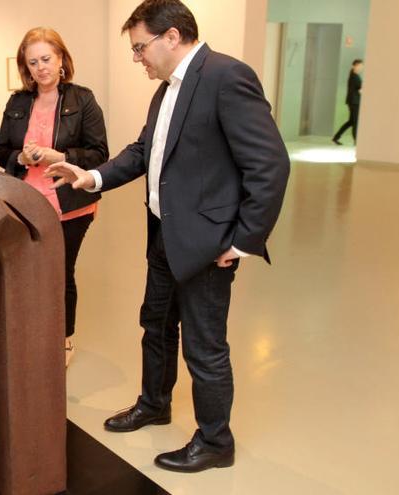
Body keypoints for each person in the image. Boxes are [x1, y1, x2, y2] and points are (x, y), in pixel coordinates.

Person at [47, 0, 289, 472]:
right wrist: (91, 177)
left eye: (140, 48)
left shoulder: (226, 77)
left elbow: (270, 164)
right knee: (155, 325)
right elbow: (144, 151)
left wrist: (242, 240)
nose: (138, 58)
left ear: (172, 36)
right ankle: (154, 402)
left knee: (204, 345)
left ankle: (216, 441)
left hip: (208, 243)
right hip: (164, 232)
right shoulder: (167, 89)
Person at [0, 27, 109, 367]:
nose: (40, 67)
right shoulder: (17, 102)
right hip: (24, 204)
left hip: (70, 205)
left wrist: (57, 156)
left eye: (46, 59)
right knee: (25, 271)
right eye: (32, 62)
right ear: (25, 68)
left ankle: (62, 338)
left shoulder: (82, 99)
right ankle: (30, 331)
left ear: (61, 59)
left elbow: (99, 154)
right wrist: (21, 157)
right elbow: (3, 151)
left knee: (59, 272)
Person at [332, 58, 363, 145]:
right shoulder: (354, 76)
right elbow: (359, 90)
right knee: (355, 122)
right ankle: (356, 140)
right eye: (359, 66)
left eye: (361, 66)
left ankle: (336, 137)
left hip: (353, 101)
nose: (361, 68)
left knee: (351, 122)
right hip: (354, 102)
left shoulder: (354, 75)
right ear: (354, 66)